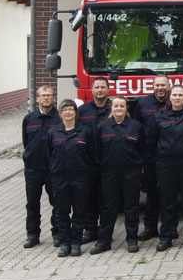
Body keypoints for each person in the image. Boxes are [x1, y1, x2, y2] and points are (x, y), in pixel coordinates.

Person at [148, 85, 183, 251]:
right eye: (175, 95)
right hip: (166, 164)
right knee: (167, 201)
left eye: (180, 95)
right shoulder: (159, 116)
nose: (177, 98)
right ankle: (166, 236)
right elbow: (152, 140)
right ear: (169, 98)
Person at [90, 96, 145, 254]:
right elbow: (96, 150)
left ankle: (132, 240)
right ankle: (104, 241)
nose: (119, 109)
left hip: (131, 173)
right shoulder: (102, 126)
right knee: (108, 208)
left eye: (122, 106)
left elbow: (142, 148)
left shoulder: (136, 126)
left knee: (131, 207)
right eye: (116, 106)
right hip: (109, 173)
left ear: (126, 108)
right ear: (111, 108)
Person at [48, 99, 95, 257]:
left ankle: (76, 243)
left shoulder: (85, 131)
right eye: (65, 110)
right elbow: (50, 154)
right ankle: (64, 243)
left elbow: (91, 154)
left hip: (80, 177)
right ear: (60, 114)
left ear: (76, 112)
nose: (68, 112)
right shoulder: (53, 133)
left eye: (71, 109)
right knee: (62, 212)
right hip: (60, 178)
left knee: (80, 211)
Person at [21, 85, 61, 249]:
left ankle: (57, 233)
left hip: (53, 168)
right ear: (37, 98)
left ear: (53, 98)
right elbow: (26, 141)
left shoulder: (59, 119)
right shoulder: (29, 119)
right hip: (33, 169)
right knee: (32, 202)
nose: (46, 98)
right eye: (43, 95)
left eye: (49, 95)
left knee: (57, 202)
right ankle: (32, 234)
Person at [134, 75, 170, 240]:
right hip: (149, 155)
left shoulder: (175, 102)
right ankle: (150, 228)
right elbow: (137, 127)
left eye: (163, 85)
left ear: (168, 86)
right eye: (158, 85)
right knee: (151, 193)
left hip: (169, 155)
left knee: (168, 192)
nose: (160, 88)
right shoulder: (143, 103)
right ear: (153, 86)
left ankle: (170, 228)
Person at [77, 76, 111, 244]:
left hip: (109, 162)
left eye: (102, 87)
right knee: (89, 197)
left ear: (108, 89)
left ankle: (105, 232)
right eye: (97, 87)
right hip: (88, 162)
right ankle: (90, 229)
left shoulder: (115, 107)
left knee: (108, 199)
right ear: (92, 89)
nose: (99, 90)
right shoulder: (83, 111)